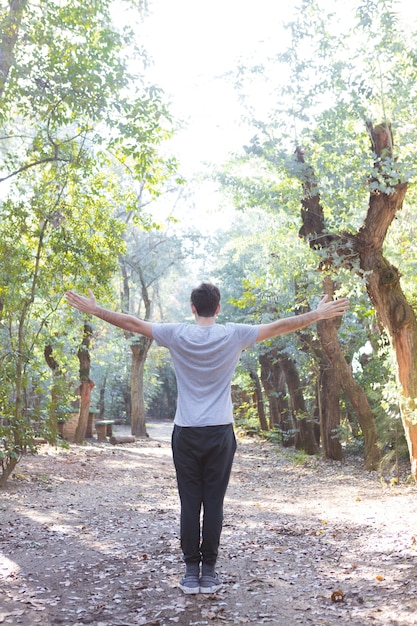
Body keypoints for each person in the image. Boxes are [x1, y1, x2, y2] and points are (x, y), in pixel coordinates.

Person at [65, 282, 349, 594]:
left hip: (185, 432)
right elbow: (281, 326)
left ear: (191, 307)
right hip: (220, 432)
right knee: (213, 503)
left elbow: (132, 323)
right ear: (217, 308)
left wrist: (95, 310)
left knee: (190, 502)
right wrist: (317, 314)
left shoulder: (176, 334)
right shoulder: (234, 334)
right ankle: (209, 573)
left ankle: (191, 572)